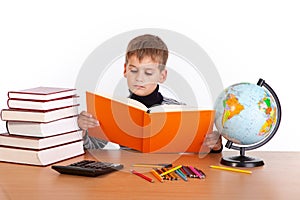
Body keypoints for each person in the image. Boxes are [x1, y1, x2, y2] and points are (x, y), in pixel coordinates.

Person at [78, 34, 222, 153]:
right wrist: (83, 129)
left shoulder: (180, 110)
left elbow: (202, 149)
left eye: (148, 72)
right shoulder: (114, 110)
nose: (139, 78)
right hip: (130, 175)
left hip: (168, 175)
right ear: (125, 70)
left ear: (162, 76)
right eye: (134, 70)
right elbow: (92, 147)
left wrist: (215, 144)